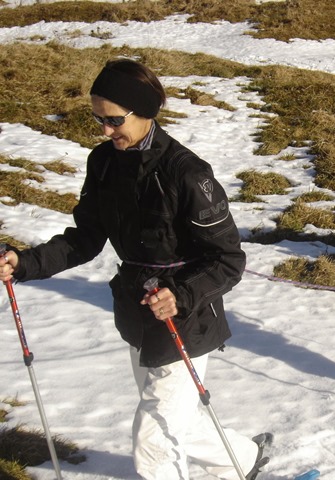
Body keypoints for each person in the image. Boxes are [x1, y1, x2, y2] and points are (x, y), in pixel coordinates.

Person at [0, 59, 268, 479]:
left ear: (144, 112)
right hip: (136, 310)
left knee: (154, 438)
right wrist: (26, 262)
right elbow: (85, 237)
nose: (104, 131)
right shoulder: (104, 163)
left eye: (113, 120)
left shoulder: (188, 175)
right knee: (172, 416)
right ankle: (244, 459)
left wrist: (179, 295)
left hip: (186, 319)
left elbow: (228, 259)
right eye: (98, 119)